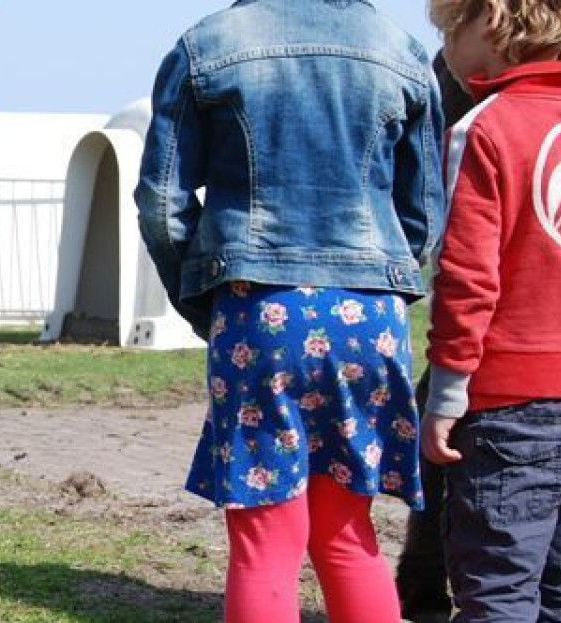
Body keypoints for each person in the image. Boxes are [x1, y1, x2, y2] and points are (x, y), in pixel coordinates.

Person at [135, 1, 443, 620]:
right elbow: (424, 214)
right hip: (369, 318)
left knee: (263, 544)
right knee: (348, 533)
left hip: (258, 309)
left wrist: (207, 299)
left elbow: (160, 204)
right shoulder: (402, 51)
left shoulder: (206, 44)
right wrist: (376, 288)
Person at [420, 0, 561, 621]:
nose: (446, 49)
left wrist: (446, 393)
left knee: (497, 592)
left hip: (508, 406)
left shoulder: (482, 128)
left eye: (450, 29)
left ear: (491, 22)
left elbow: (465, 276)